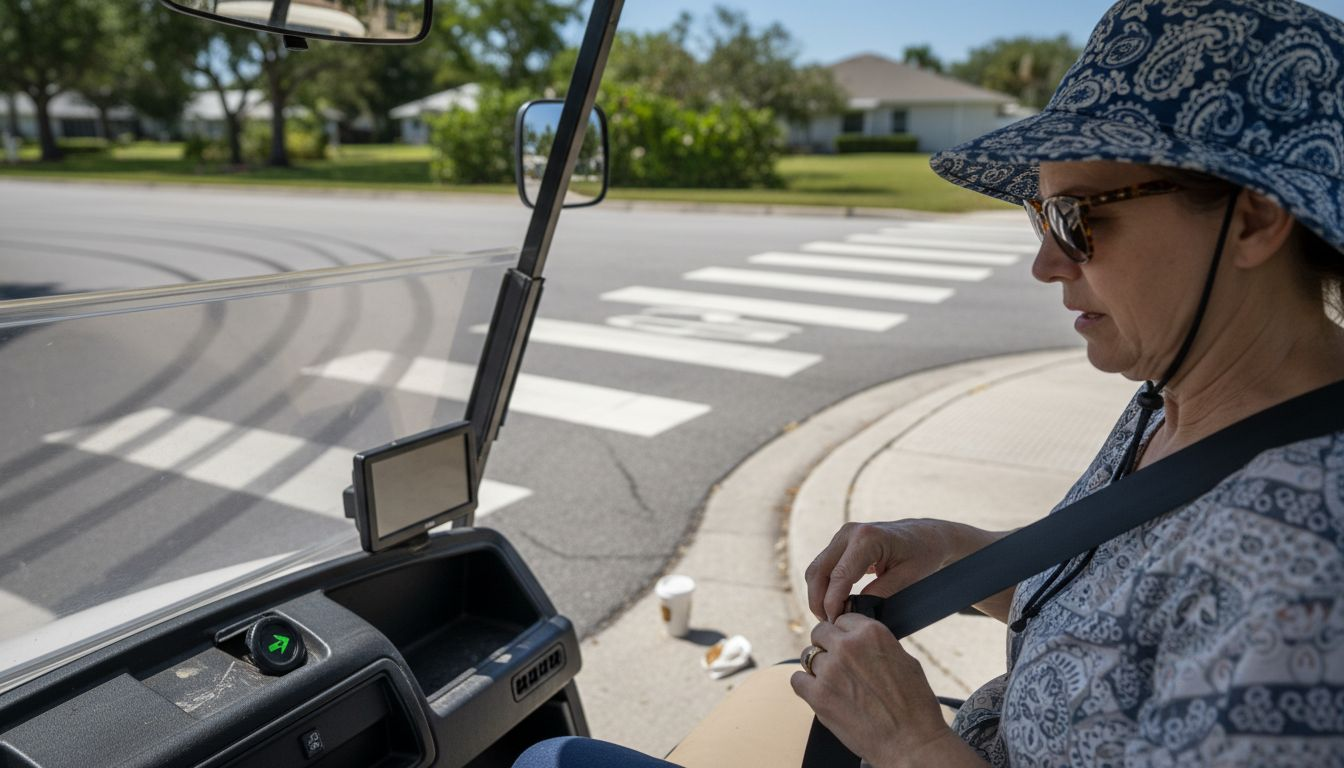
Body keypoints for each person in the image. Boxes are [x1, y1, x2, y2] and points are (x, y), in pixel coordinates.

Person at [515, 0, 1344, 764]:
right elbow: (1120, 616)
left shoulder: (1308, 578)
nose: (1045, 262)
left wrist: (909, 741)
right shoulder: (1179, 392)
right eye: (1039, 215)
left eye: (1079, 219)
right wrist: (957, 555)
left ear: (1255, 218)